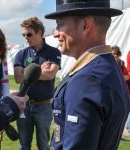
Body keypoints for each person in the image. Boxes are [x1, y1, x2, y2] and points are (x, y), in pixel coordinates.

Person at [45, 0, 130, 150]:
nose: (55, 32)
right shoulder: (106, 66)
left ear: (85, 25)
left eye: (60, 24)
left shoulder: (87, 80)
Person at [14, 17, 61, 150]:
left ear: (40, 32)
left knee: (43, 145)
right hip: (24, 106)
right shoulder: (21, 54)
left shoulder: (53, 52)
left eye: (29, 34)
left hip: (44, 107)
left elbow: (50, 74)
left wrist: (28, 73)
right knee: (24, 145)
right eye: (24, 34)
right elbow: (18, 77)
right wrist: (40, 70)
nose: (26, 37)